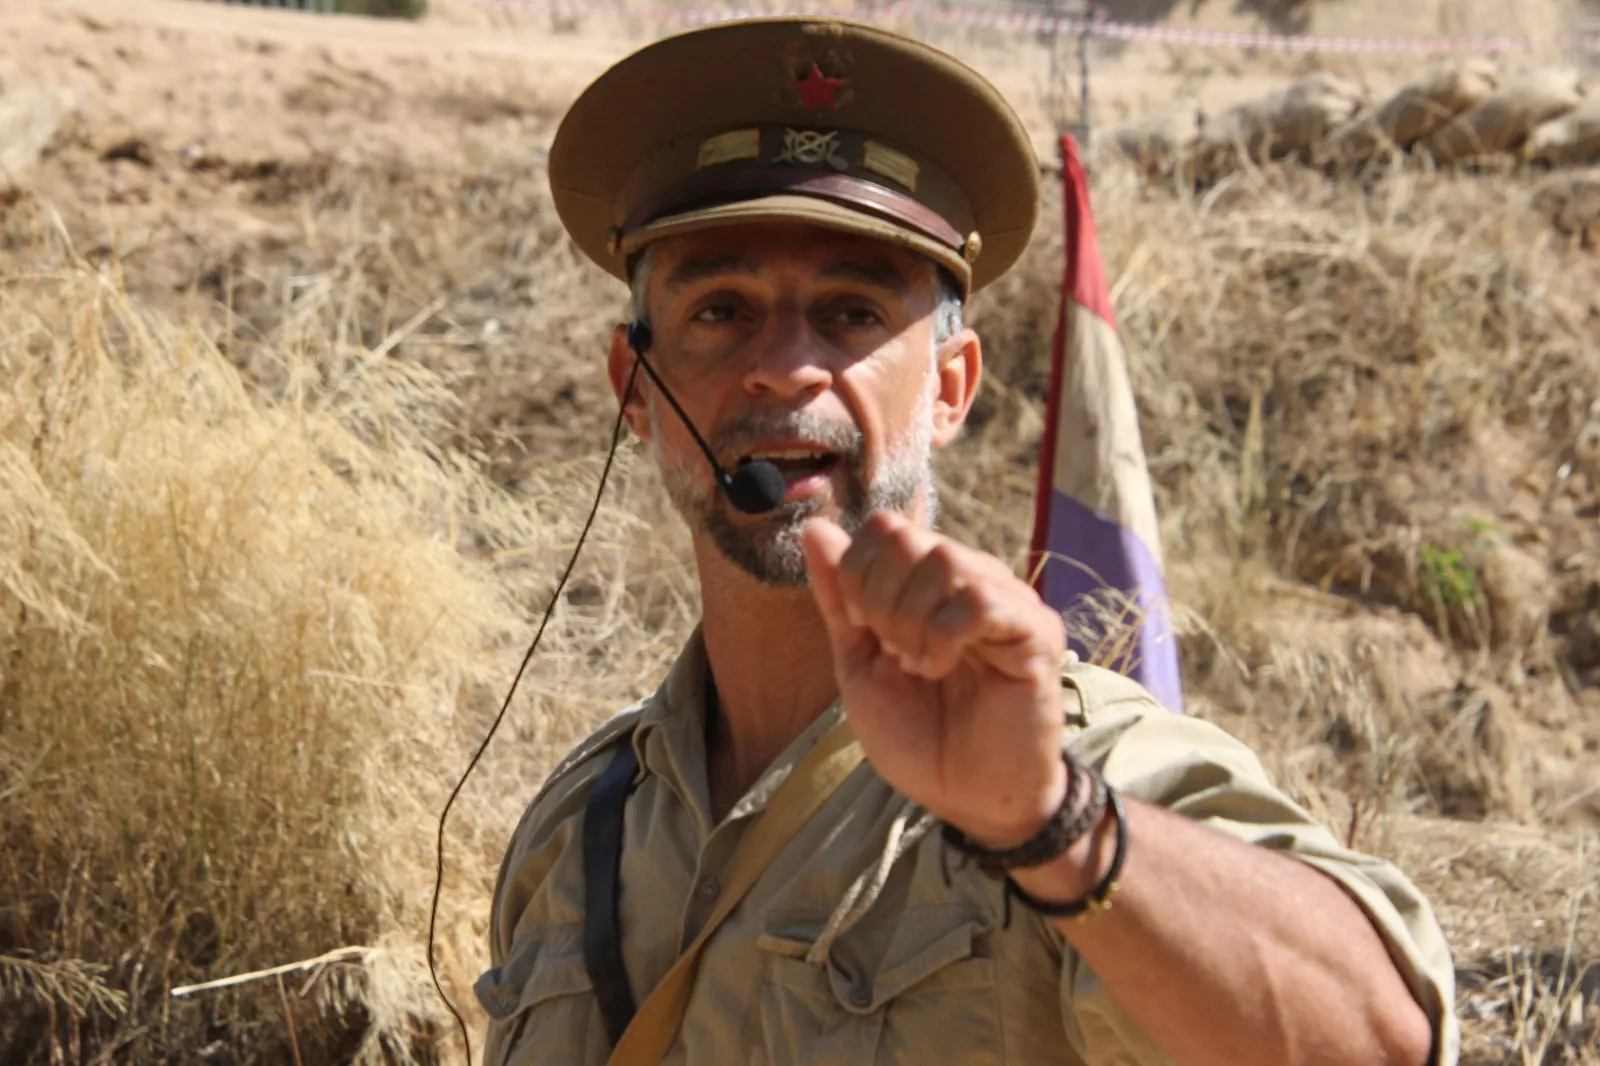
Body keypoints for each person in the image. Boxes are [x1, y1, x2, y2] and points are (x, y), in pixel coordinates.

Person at [476, 17, 1458, 1066]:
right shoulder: (579, 828)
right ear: (637, 388)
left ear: (948, 390)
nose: (785, 368)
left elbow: (1382, 1045)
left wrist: (1049, 824)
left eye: (852, 315)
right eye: (722, 309)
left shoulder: (1070, 762)